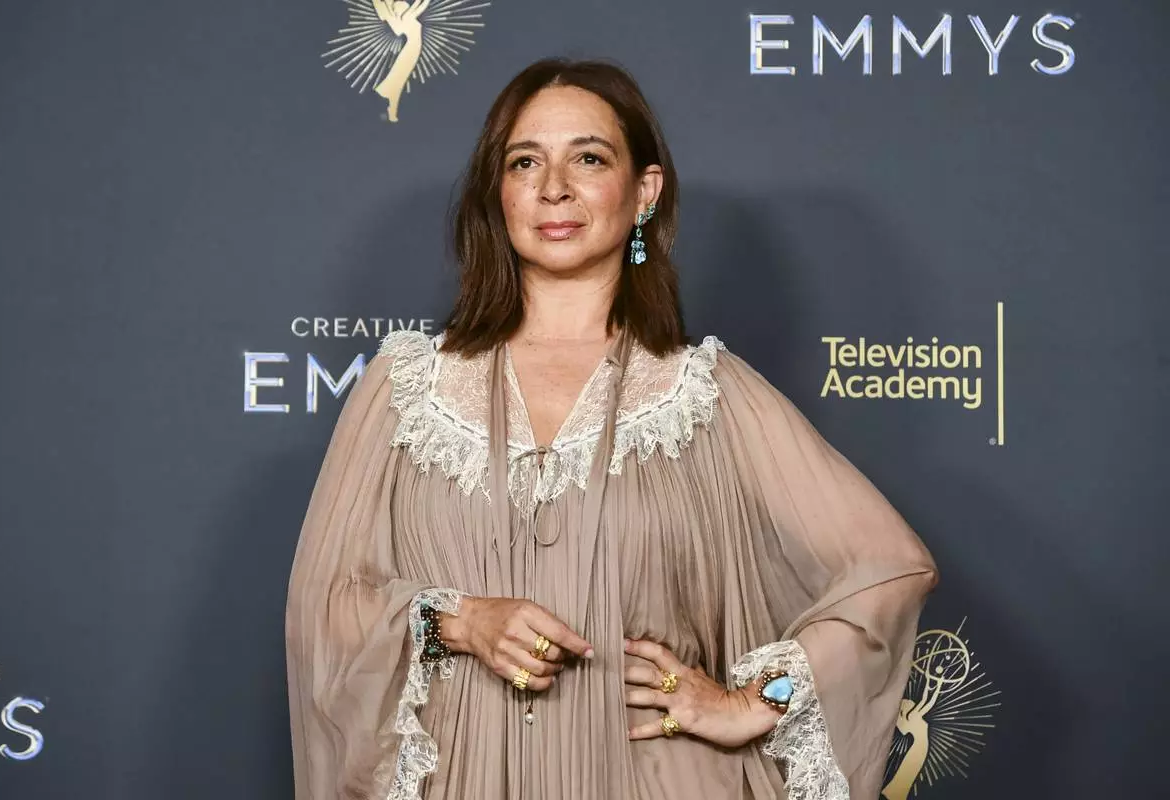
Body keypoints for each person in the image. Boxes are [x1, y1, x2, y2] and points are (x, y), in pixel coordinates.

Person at [284, 57, 939, 800]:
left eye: (588, 158)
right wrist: (458, 620)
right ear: (497, 194)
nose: (553, 187)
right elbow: (327, 609)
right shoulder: (406, 387)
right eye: (524, 161)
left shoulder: (705, 393)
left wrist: (753, 704)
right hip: (463, 775)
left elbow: (893, 568)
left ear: (644, 193)